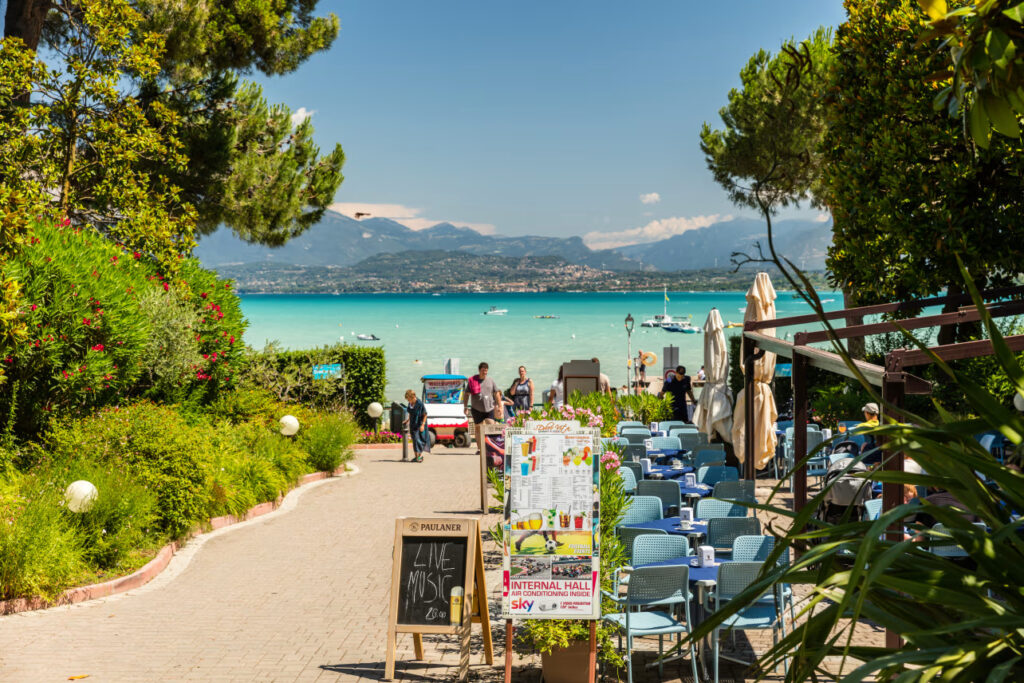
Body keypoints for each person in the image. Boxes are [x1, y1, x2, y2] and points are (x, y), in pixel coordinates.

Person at [464, 362, 503, 451]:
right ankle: (480, 449)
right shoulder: (473, 380)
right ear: (479, 370)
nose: (485, 372)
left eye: (486, 371)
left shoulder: (490, 380)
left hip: (489, 408)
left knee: (492, 426)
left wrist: (500, 406)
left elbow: (496, 393)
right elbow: (466, 395)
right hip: (476, 409)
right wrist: (465, 407)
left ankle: (493, 447)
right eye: (483, 371)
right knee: (478, 429)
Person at [404, 389, 429, 462]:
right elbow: (411, 413)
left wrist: (423, 425)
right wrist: (407, 420)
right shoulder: (410, 404)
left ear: (413, 397)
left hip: (419, 424)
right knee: (414, 440)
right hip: (412, 424)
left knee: (419, 440)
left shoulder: (420, 404)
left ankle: (419, 456)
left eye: (409, 399)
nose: (408, 401)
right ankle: (416, 457)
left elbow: (425, 414)